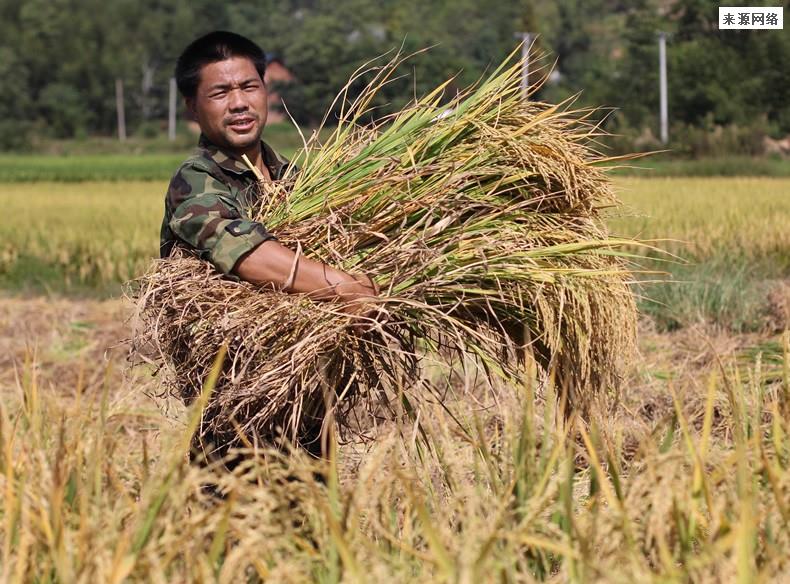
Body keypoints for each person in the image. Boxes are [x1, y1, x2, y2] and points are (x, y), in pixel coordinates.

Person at [161, 31, 379, 465]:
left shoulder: (298, 182)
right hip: (234, 415)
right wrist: (344, 288)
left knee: (316, 527)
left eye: (248, 87)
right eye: (220, 92)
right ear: (192, 106)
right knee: (234, 529)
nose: (238, 103)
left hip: (310, 403)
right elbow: (243, 250)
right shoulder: (197, 181)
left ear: (265, 92)